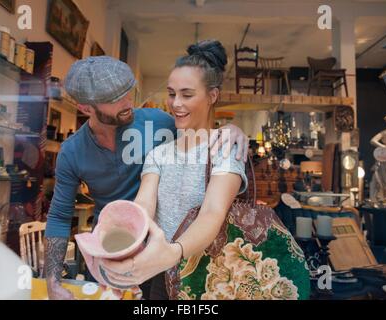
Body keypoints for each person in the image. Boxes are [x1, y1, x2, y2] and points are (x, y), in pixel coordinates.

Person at [44, 55, 249, 300]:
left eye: (128, 92)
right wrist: (53, 281)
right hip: (114, 249)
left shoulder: (159, 122)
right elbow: (59, 216)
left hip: (168, 248)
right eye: (114, 99)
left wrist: (230, 129)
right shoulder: (71, 151)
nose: (128, 102)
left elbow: (200, 132)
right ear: (86, 108)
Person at [99, 40, 248, 299]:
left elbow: (213, 212)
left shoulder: (225, 149)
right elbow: (144, 205)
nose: (175, 103)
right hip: (157, 272)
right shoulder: (158, 154)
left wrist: (174, 252)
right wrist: (120, 243)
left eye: (187, 94)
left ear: (212, 96)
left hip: (207, 275)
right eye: (171, 93)